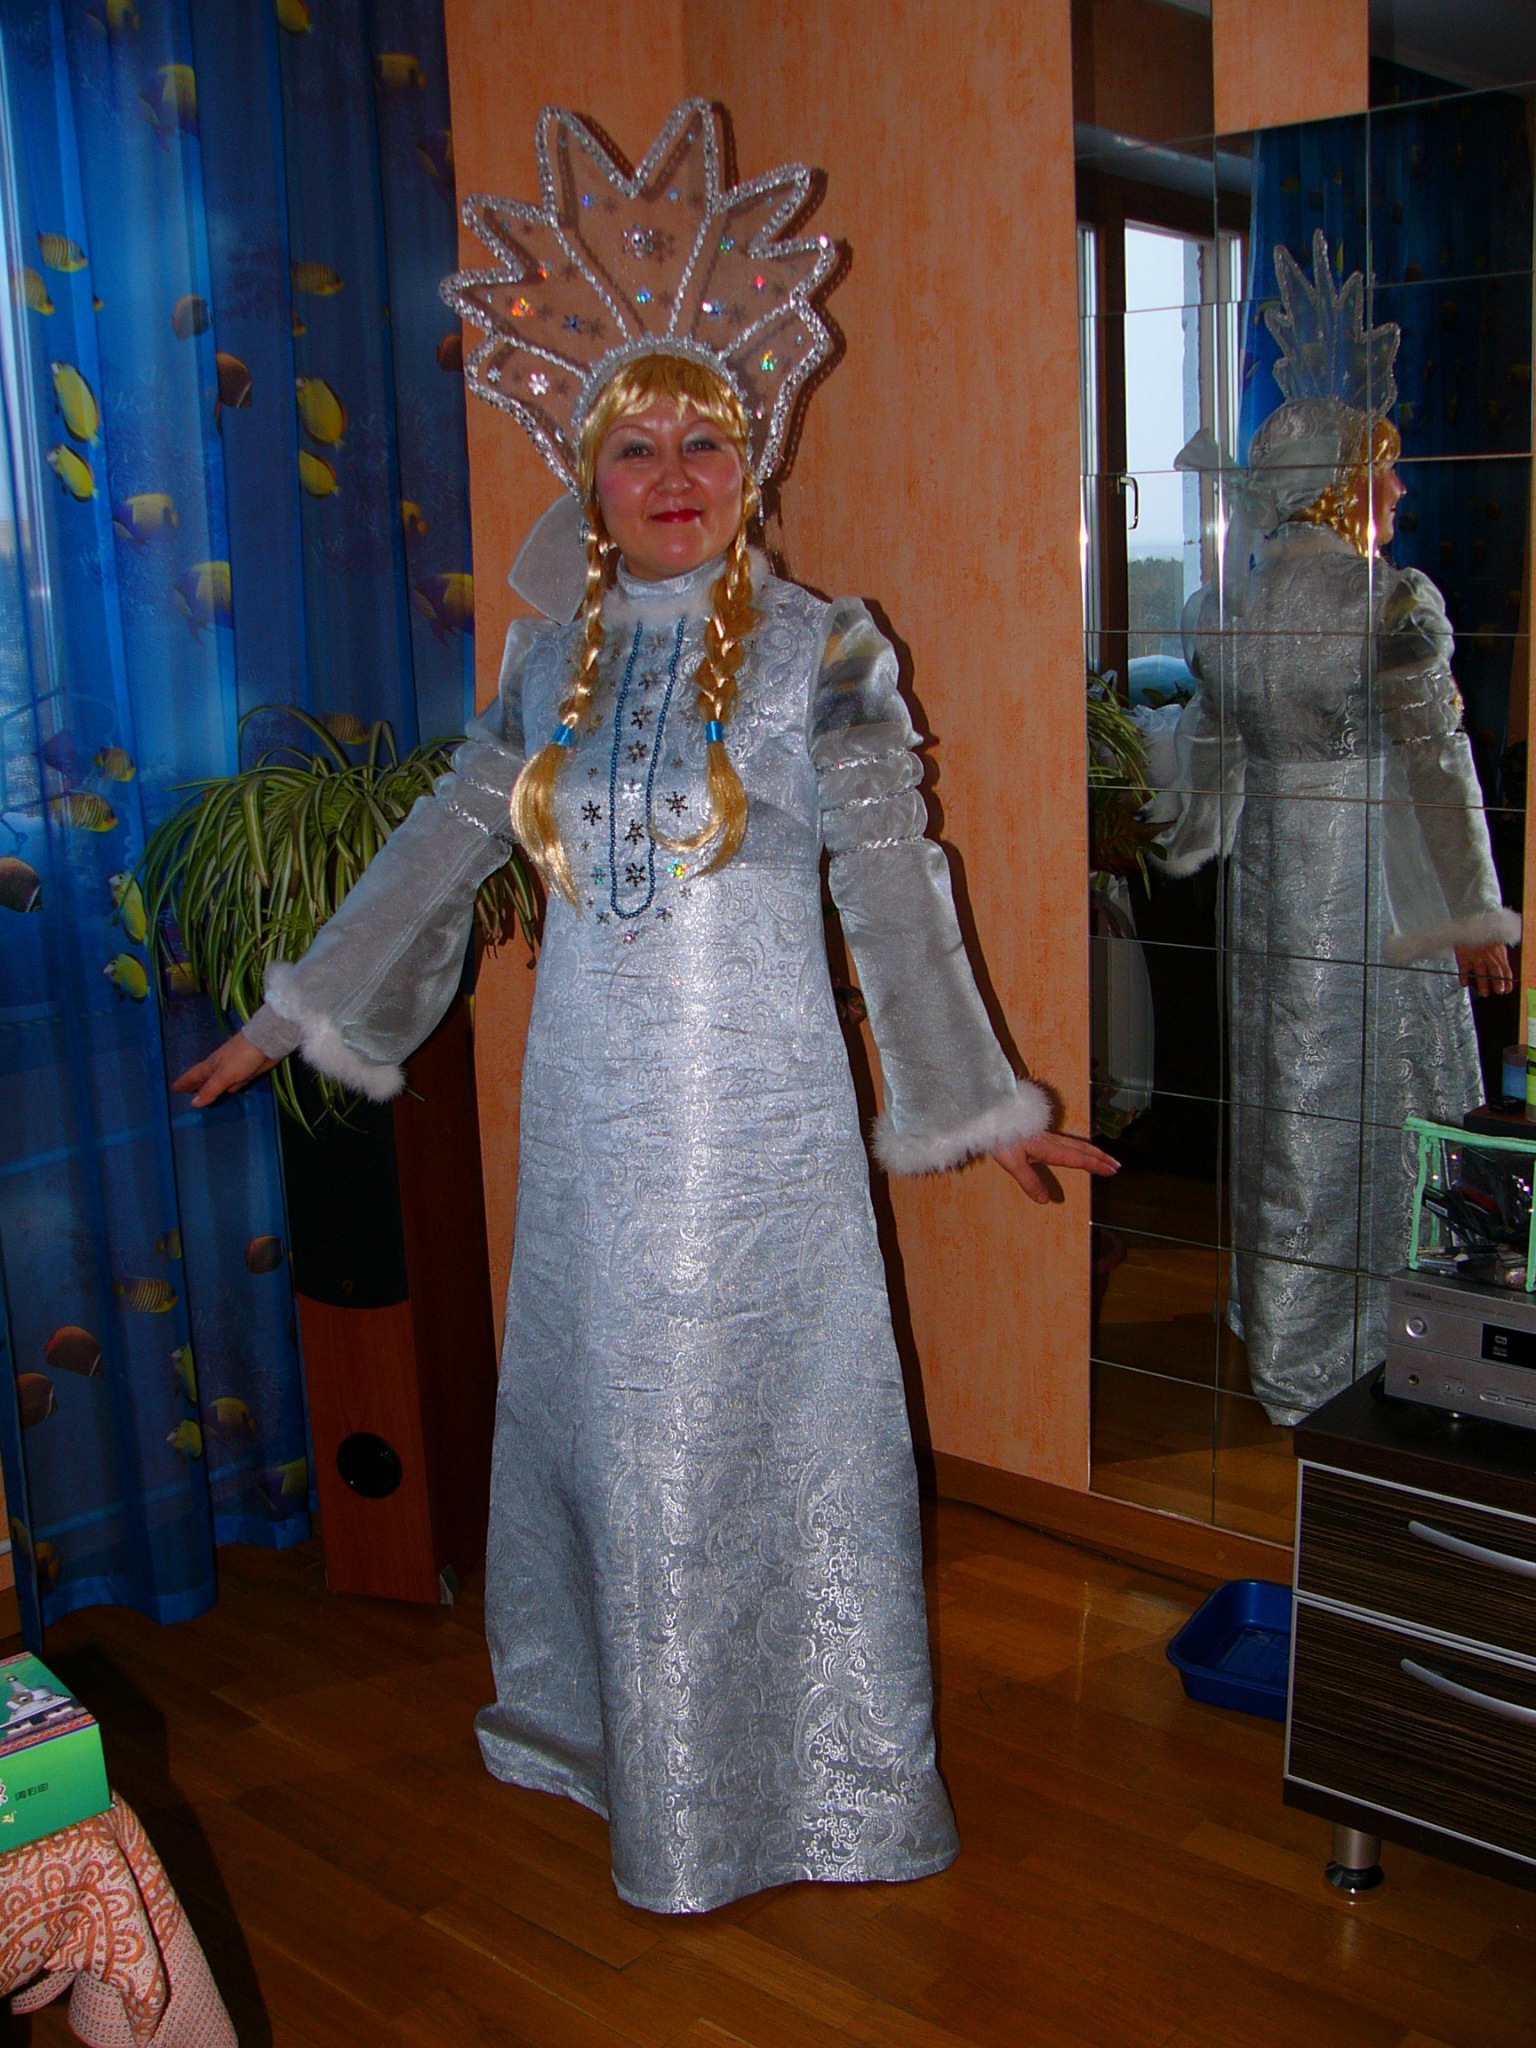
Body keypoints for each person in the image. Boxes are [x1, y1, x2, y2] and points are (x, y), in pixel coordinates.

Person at [175, 99, 1113, 1912]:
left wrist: (972, 1095)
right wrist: (297, 1014)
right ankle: (612, 1742)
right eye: (634, 445)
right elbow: (445, 843)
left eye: (705, 439)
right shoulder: (544, 659)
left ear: (750, 461)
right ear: (587, 477)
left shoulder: (829, 646)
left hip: (757, 1131)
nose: (673, 472)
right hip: (594, 1122)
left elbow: (893, 879)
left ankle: (806, 1781)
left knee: (747, 1426)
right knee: (610, 1415)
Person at [1165, 234, 1517, 1424]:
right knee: (1361, 1088)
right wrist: (1474, 910)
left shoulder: (1227, 610)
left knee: (1285, 1089)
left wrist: (1190, 834)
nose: (1399, 493)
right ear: (1336, 485)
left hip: (1271, 876)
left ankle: (1280, 1316)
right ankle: (1347, 1338)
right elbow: (1438, 765)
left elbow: (1212, 763)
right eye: (1383, 473)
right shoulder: (1390, 604)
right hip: (1366, 874)